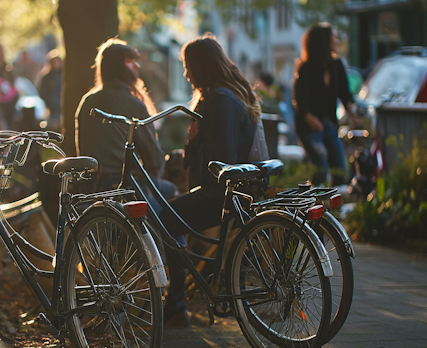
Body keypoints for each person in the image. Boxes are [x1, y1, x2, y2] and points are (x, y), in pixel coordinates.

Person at [159, 33, 261, 327]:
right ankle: (184, 294)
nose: (185, 73)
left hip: (220, 194)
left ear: (202, 66)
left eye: (188, 66)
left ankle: (176, 301)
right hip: (227, 190)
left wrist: (194, 142)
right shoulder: (225, 96)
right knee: (175, 216)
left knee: (167, 217)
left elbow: (222, 157)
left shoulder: (219, 100)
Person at [75, 38, 167, 194]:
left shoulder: (87, 101)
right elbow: (154, 158)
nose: (137, 65)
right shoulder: (133, 103)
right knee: (173, 193)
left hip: (93, 186)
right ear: (117, 67)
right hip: (127, 185)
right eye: (130, 61)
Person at [293, 23, 356, 186]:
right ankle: (314, 206)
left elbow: (345, 93)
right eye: (333, 37)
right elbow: (301, 103)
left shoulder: (336, 65)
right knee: (319, 169)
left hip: (329, 124)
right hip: (309, 127)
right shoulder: (305, 69)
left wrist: (352, 109)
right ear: (324, 42)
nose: (336, 41)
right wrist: (311, 120)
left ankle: (335, 207)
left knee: (340, 171)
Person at [35, 50, 63, 127]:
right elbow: (42, 92)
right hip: (52, 109)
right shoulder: (46, 77)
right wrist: (50, 103)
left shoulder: (63, 75)